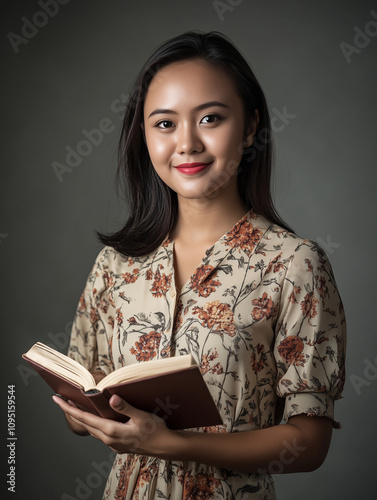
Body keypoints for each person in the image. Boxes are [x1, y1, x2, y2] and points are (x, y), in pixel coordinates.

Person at [53, 31, 347, 499]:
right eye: (164, 124)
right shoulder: (116, 264)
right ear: (144, 136)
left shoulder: (294, 264)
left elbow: (309, 445)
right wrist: (84, 413)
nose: (186, 143)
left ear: (250, 127)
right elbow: (83, 408)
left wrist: (172, 445)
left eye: (210, 118)